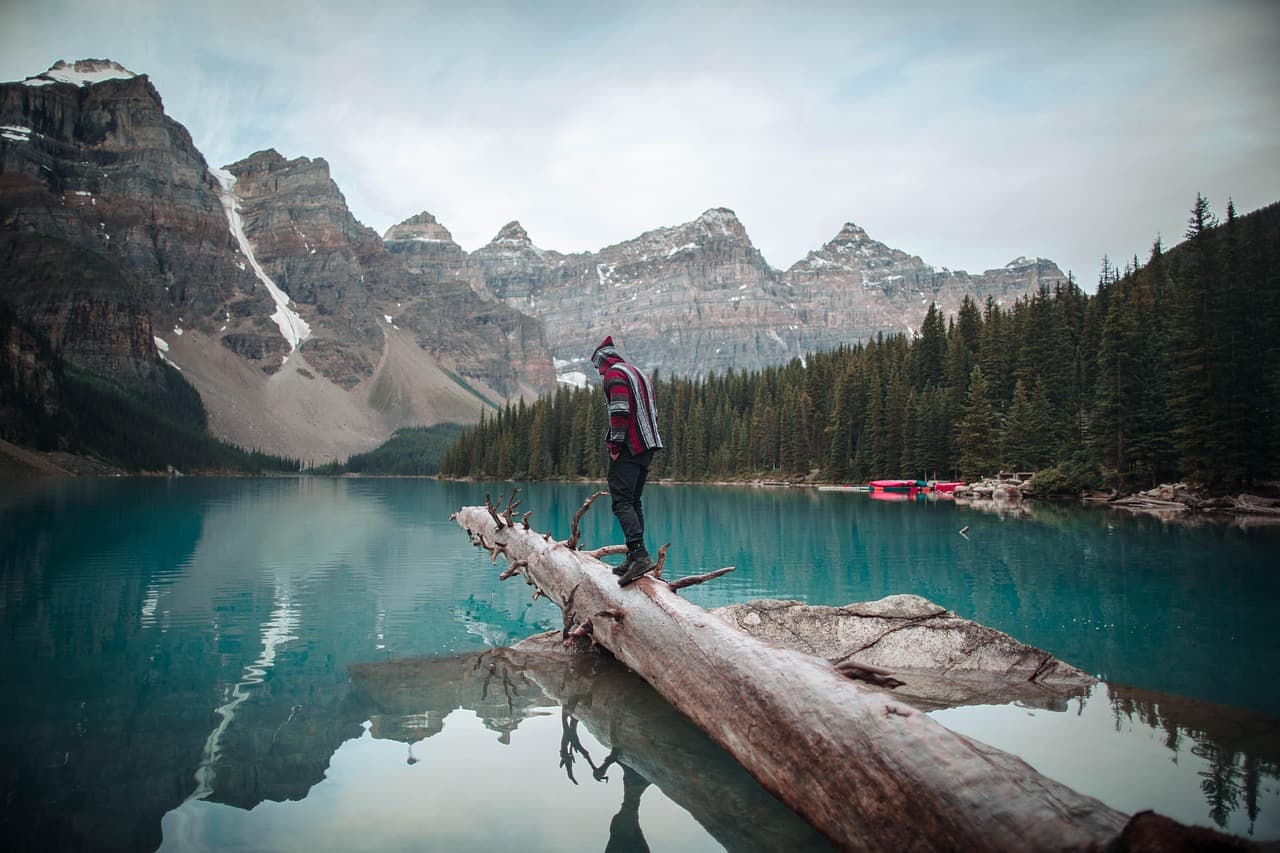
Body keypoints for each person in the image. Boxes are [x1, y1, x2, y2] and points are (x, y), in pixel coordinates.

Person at [591, 335, 662, 586]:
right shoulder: (637, 372)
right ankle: (634, 556)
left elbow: (620, 411)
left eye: (598, 368)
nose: (600, 374)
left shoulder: (614, 375)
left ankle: (640, 555)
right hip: (648, 445)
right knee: (634, 501)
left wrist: (614, 445)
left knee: (621, 501)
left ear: (604, 361)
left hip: (630, 446)